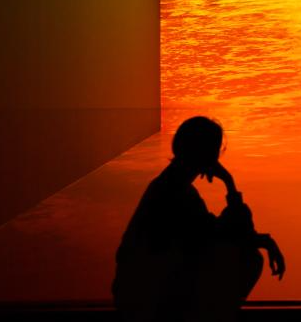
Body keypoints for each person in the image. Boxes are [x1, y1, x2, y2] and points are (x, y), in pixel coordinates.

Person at [113, 116, 285, 321]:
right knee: (249, 259)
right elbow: (226, 232)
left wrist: (262, 239)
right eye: (214, 150)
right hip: (146, 301)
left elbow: (225, 230)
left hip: (139, 295)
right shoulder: (175, 191)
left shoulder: (174, 187)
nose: (216, 157)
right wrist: (229, 182)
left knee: (245, 255)